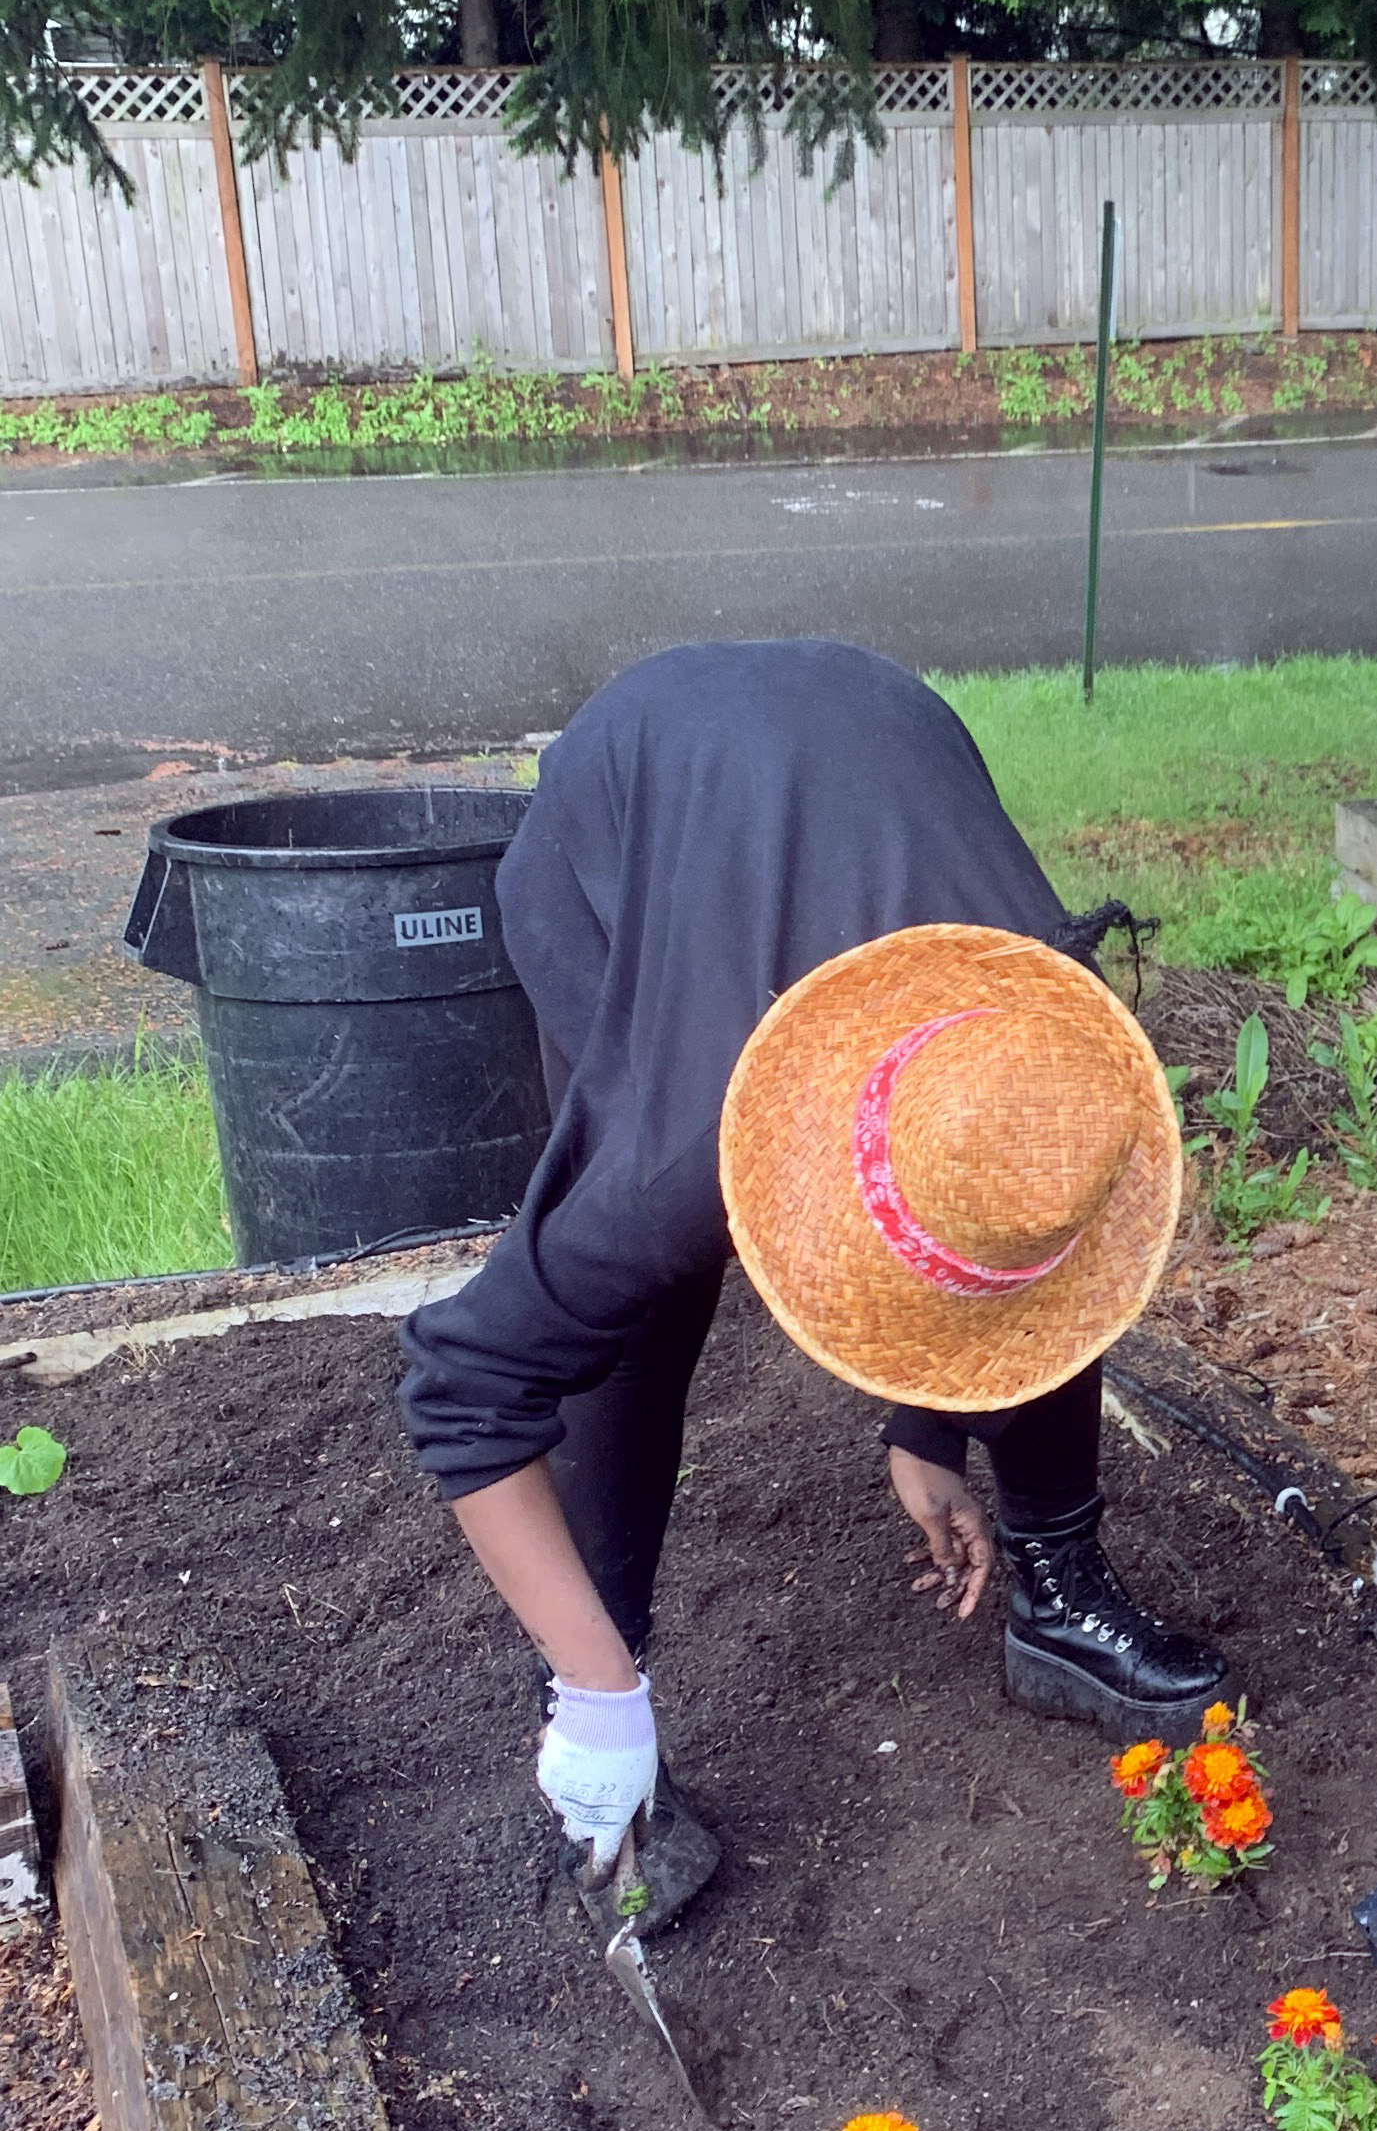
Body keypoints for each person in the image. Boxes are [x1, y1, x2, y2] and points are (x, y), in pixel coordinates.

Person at [399, 639, 1224, 1930]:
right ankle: (603, 1701)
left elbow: (986, 1240)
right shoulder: (685, 1151)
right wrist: (595, 1680)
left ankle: (1058, 1596)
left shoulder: (1045, 1051)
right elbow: (458, 1387)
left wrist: (925, 1423)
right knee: (640, 1311)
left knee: (1030, 1226)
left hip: (877, 733)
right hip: (618, 814)